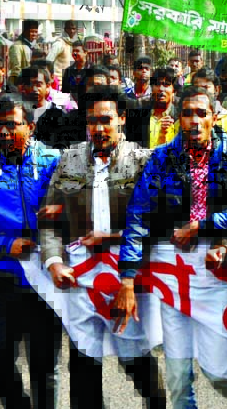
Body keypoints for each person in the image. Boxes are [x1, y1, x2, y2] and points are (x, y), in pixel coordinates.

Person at [119, 86, 227, 409]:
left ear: (214, 117)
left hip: (218, 272)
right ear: (178, 118)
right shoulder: (161, 158)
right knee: (177, 374)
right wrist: (127, 276)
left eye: (201, 113)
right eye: (187, 114)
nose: (194, 121)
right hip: (173, 273)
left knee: (216, 369)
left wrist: (206, 228)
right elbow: (138, 215)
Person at [39, 85, 166, 409]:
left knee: (139, 363)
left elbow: (157, 224)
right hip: (80, 278)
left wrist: (110, 241)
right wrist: (54, 261)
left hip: (127, 275)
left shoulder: (142, 161)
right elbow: (50, 220)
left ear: (121, 119)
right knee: (83, 365)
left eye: (106, 119)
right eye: (92, 121)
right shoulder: (69, 160)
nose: (99, 128)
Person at [0, 91, 63, 409]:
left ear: (30, 126)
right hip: (4, 278)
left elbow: (76, 210)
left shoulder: (54, 163)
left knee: (45, 367)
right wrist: (4, 243)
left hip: (45, 282)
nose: (3, 133)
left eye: (12, 125)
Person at [126, 67, 180, 149]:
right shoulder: (137, 116)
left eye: (166, 85)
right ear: (151, 88)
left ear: (174, 90)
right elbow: (131, 149)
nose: (161, 89)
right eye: (157, 84)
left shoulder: (180, 118)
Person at [46, 20, 79, 89]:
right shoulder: (59, 43)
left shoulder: (73, 43)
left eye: (74, 29)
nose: (72, 31)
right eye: (69, 28)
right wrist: (52, 78)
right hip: (58, 84)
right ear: (65, 29)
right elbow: (48, 61)